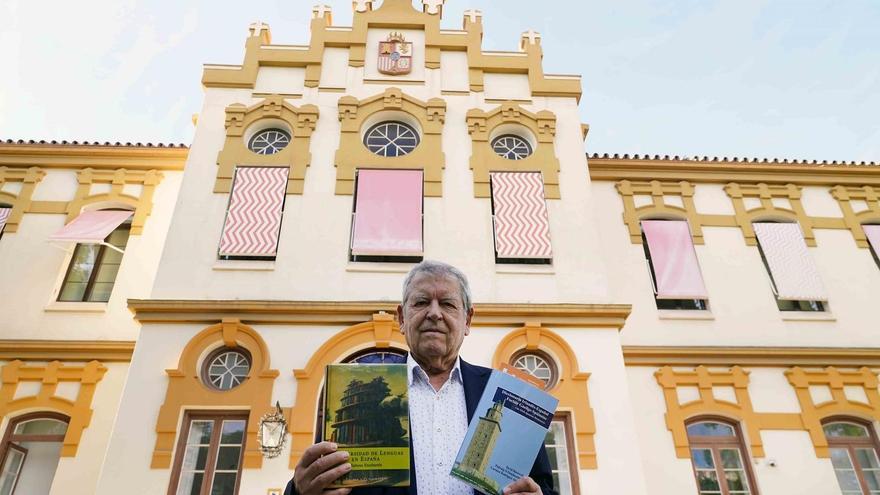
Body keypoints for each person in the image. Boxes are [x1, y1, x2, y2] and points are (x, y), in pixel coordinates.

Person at [286, 260, 556, 495]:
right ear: (402, 317)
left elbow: (544, 486)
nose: (434, 313)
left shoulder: (506, 396)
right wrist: (298, 491)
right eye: (421, 302)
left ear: (468, 320)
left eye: (448, 304)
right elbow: (323, 482)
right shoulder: (365, 391)